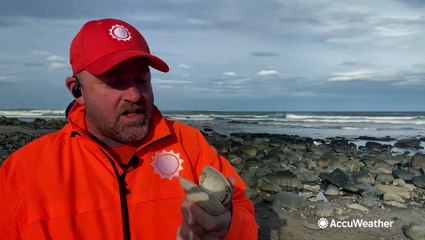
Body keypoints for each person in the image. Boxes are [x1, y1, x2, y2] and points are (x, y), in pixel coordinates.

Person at [0, 18, 258, 239]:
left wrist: (228, 230)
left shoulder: (191, 146)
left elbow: (244, 215)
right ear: (77, 90)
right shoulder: (22, 174)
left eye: (141, 79)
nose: (134, 94)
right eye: (116, 82)